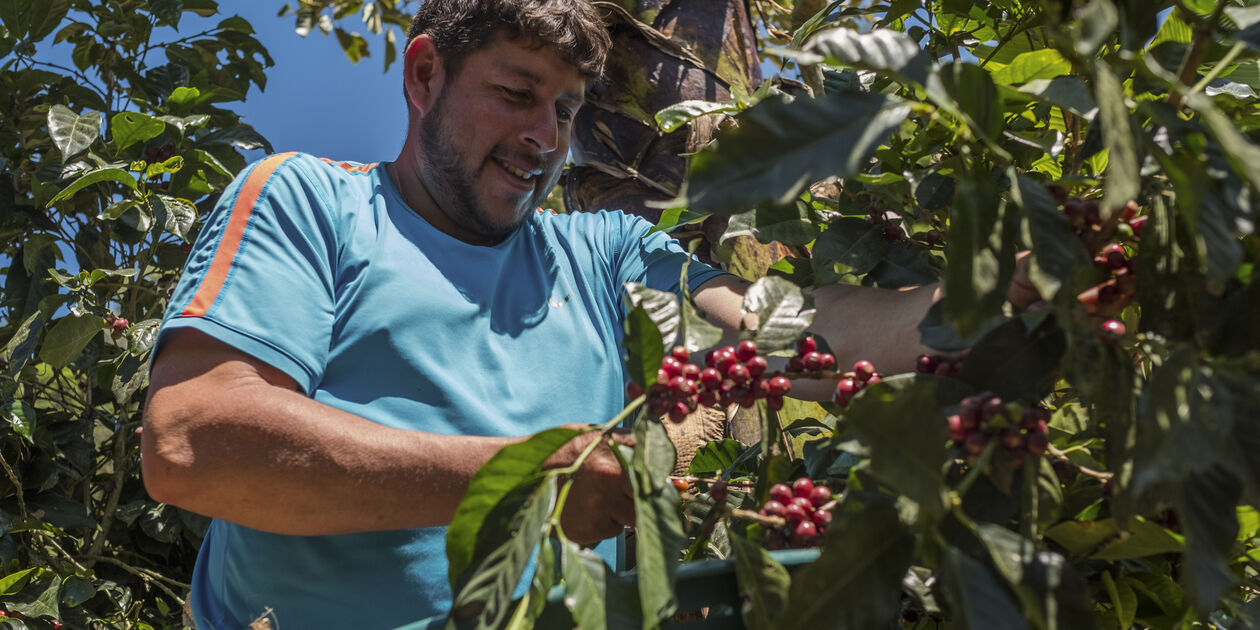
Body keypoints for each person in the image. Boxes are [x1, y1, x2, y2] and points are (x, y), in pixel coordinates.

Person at [141, 1, 953, 627]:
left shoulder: (605, 255)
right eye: (516, 94)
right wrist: (523, 480)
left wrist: (983, 298)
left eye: (565, 111)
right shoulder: (315, 202)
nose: (544, 137)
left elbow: (780, 340)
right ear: (423, 76)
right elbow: (193, 440)